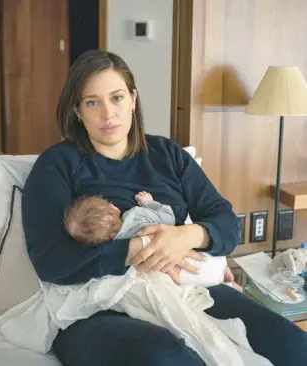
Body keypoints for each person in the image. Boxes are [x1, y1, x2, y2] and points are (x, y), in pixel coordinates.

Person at [22, 49, 307, 366]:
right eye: (92, 102)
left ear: (133, 99)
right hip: (96, 306)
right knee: (169, 359)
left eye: (116, 98)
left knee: (294, 345)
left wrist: (188, 236)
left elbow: (227, 225)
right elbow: (50, 261)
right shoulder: (57, 164)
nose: (108, 114)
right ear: (77, 110)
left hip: (186, 292)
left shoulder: (167, 155)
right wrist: (141, 248)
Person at [64, 192, 241, 290]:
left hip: (182, 278)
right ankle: (228, 283)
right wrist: (149, 202)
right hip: (205, 256)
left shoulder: (115, 249)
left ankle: (228, 285)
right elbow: (168, 217)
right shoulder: (137, 214)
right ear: (114, 208)